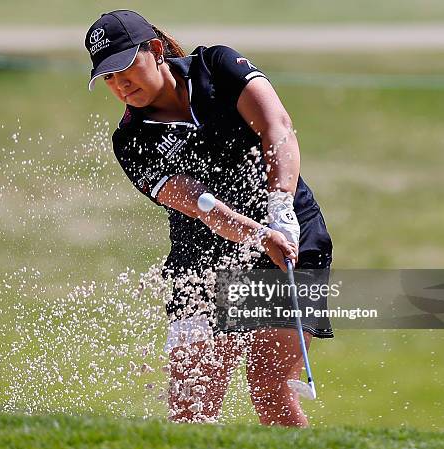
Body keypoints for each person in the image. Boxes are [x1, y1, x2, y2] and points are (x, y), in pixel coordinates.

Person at [84, 10, 333, 427]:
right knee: (190, 408)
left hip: (290, 235)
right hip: (203, 262)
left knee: (269, 390)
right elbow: (201, 204)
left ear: (156, 50)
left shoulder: (217, 67)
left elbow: (278, 127)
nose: (121, 84)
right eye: (109, 77)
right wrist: (258, 233)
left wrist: (280, 208)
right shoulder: (130, 139)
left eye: (127, 66)